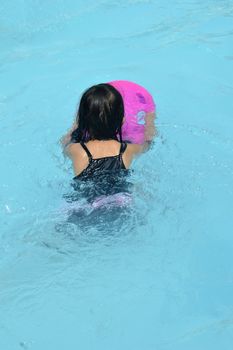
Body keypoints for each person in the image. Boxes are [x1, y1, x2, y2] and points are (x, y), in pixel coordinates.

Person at [61, 83, 155, 181]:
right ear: (122, 121)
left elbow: (64, 142)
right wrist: (150, 125)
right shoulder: (128, 150)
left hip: (87, 196)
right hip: (122, 196)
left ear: (82, 121)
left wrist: (75, 126)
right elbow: (147, 145)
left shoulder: (76, 150)